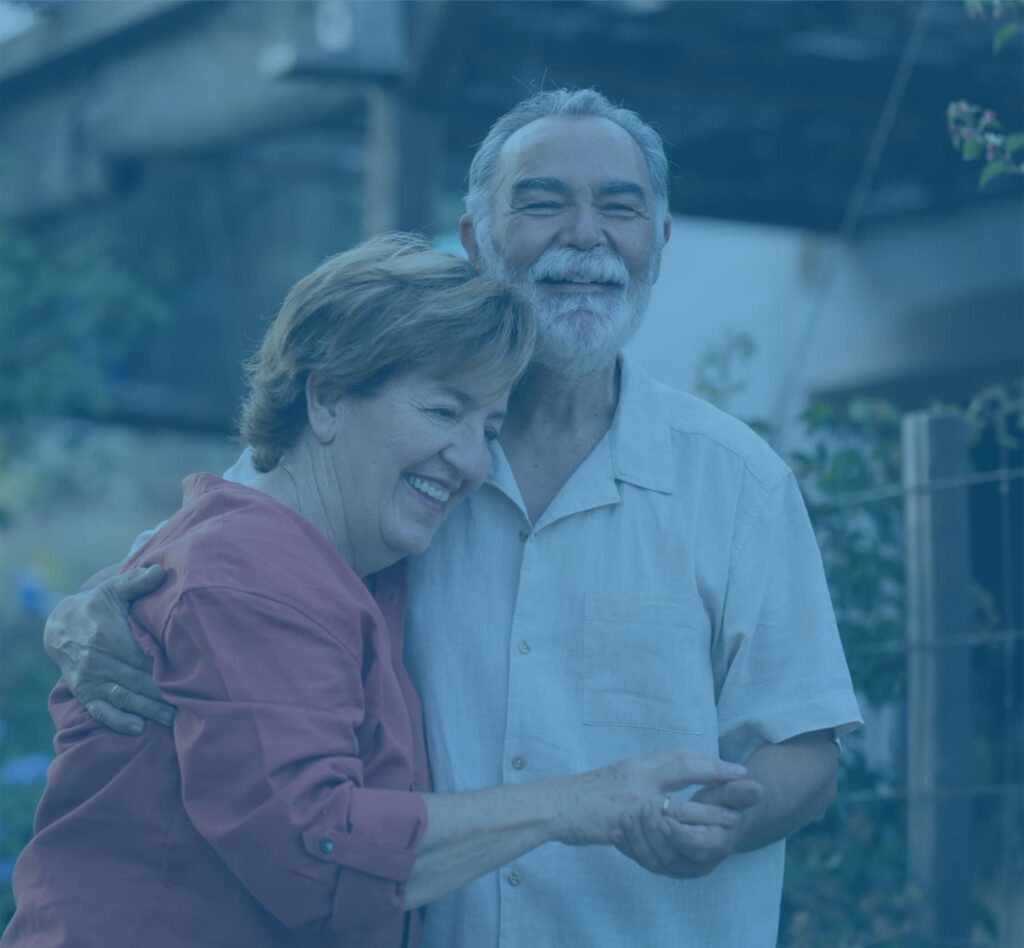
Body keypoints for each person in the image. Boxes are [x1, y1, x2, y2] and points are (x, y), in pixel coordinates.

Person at [43, 90, 863, 946]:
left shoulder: (740, 482)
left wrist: (741, 813)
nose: (585, 234)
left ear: (658, 243)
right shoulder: (378, 452)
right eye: (543, 202)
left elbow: (805, 746)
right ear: (475, 240)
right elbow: (215, 555)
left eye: (619, 207)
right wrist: (83, 610)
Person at [6, 234, 750, 948]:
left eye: (489, 428)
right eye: (442, 411)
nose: (469, 459)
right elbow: (318, 855)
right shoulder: (255, 570)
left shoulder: (350, 555)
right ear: (325, 399)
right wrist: (579, 802)